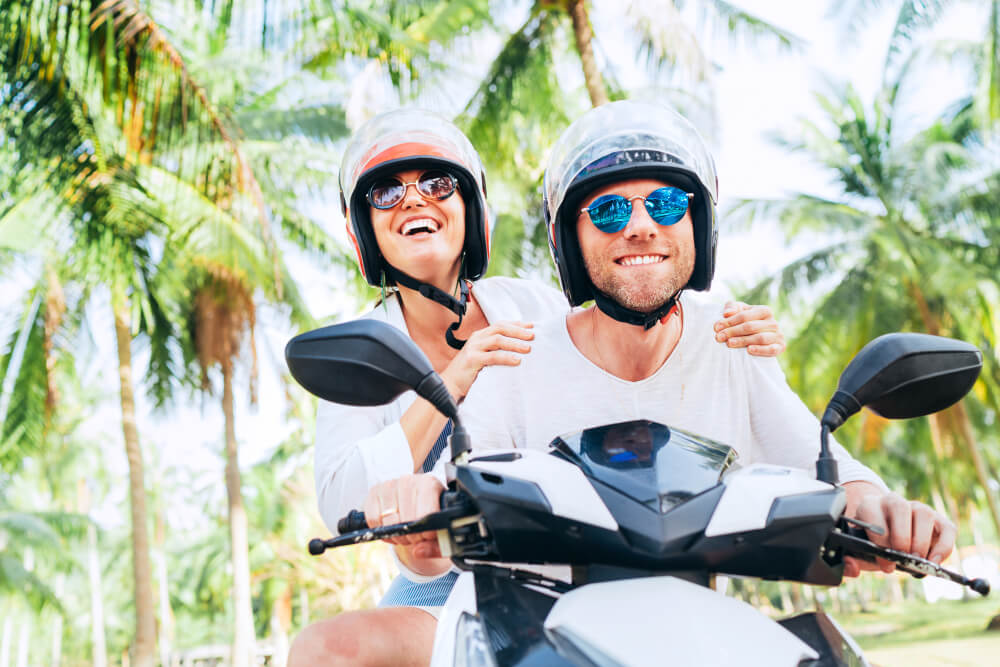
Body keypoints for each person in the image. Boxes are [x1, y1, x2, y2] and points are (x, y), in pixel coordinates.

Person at [362, 100, 956, 601]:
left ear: (698, 226)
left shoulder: (730, 340)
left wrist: (885, 511)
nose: (641, 225)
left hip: (698, 634)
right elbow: (449, 508)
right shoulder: (520, 358)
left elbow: (820, 465)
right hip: (537, 637)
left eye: (667, 204)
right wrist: (418, 509)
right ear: (571, 240)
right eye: (609, 209)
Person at [290, 107, 787, 666]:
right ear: (364, 228)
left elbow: (625, 331)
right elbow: (342, 502)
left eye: (437, 183)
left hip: (578, 546)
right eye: (385, 192)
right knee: (331, 651)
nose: (413, 199)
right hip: (444, 566)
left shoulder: (534, 306)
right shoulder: (364, 349)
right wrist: (452, 381)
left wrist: (724, 325)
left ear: (471, 212)